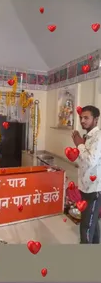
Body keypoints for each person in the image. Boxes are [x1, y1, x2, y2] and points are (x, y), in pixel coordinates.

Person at [72, 105, 101, 244]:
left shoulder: (98, 137)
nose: (82, 121)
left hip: (94, 189)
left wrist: (79, 144)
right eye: (81, 118)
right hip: (86, 187)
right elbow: (83, 160)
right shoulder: (88, 137)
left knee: (86, 227)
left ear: (96, 119)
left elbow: (90, 160)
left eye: (86, 118)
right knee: (92, 224)